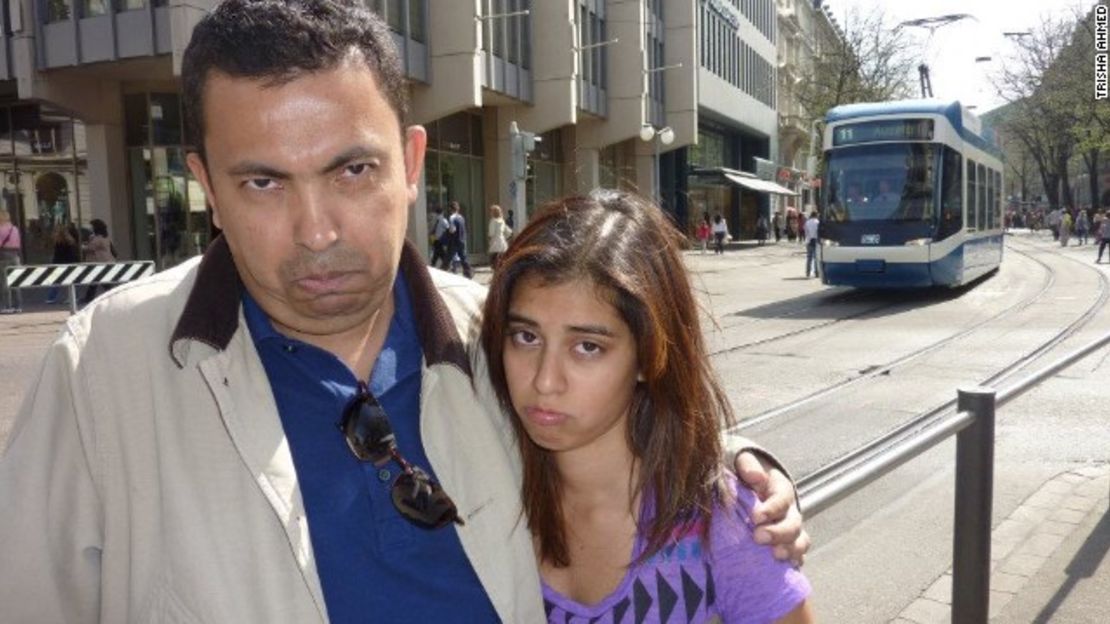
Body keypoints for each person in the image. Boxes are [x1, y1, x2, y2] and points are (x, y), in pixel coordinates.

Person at [0, 1, 807, 621]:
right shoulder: (104, 366)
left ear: (412, 162)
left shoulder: (494, 332)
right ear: (205, 184)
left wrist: (744, 470)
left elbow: (618, 421)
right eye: (262, 182)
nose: (316, 231)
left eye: (352, 169)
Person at [479, 191, 812, 623]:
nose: (544, 380)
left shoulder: (722, 525)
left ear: (648, 356)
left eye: (587, 346)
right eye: (526, 336)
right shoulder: (488, 497)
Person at [80, 218, 117, 305]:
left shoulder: (98, 238)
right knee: (98, 281)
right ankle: (90, 297)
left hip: (100, 262)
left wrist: (82, 246)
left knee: (99, 281)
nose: (90, 228)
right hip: (102, 262)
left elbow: (90, 248)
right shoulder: (103, 237)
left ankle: (112, 295)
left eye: (92, 226)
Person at [45, 222, 81, 305]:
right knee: (71, 280)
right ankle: (74, 297)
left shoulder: (58, 241)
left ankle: (51, 297)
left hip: (61, 262)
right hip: (71, 262)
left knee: (56, 281)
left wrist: (53, 263)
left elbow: (58, 254)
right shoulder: (70, 240)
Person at [0, 207, 21, 313]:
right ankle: (18, 306)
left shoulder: (0, 229)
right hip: (15, 256)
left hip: (3, 256)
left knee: (4, 282)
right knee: (16, 281)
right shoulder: (14, 228)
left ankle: (7, 306)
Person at [447, 200, 473, 278]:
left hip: (454, 241)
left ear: (450, 209)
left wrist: (448, 230)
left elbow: (452, 230)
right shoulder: (461, 217)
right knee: (463, 257)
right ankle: (468, 273)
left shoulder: (452, 217)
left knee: (448, 258)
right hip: (462, 239)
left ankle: (443, 271)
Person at [486, 204, 512, 269]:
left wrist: (489, 238)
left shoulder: (493, 221)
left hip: (495, 241)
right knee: (502, 257)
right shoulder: (502, 220)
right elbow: (508, 232)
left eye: (491, 211)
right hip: (502, 241)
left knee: (494, 257)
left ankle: (495, 268)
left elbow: (491, 233)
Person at [428, 204, 451, 269]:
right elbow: (448, 228)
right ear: (442, 212)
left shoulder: (434, 219)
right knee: (440, 253)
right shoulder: (443, 220)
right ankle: (446, 265)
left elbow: (431, 229)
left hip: (435, 239)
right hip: (440, 239)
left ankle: (433, 265)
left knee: (437, 253)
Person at [804, 209, 820, 279]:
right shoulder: (817, 222)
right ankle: (817, 273)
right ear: (816, 215)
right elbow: (818, 232)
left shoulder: (807, 222)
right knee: (816, 258)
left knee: (809, 258)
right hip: (816, 241)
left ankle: (808, 272)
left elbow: (806, 232)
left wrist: (808, 237)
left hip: (808, 241)